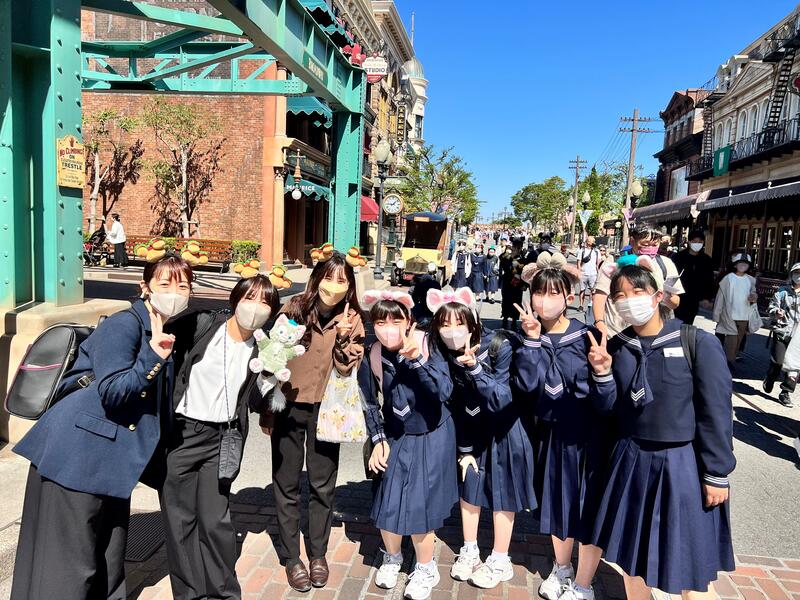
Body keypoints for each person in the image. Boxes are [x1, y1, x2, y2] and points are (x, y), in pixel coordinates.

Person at [11, 254, 192, 600]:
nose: (174, 292)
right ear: (145, 287)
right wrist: (153, 357)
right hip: (78, 456)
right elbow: (113, 391)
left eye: (183, 286)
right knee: (70, 565)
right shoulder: (124, 325)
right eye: (165, 283)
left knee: (108, 556)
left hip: (109, 462)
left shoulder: (158, 329)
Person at [588, 262, 735, 599]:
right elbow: (609, 411)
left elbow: (716, 412)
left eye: (637, 292)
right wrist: (602, 374)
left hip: (681, 465)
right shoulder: (617, 347)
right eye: (620, 296)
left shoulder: (695, 342)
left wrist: (716, 472)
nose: (629, 300)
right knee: (630, 559)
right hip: (631, 459)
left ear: (657, 296)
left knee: (687, 565)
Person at [160, 274, 281, 600]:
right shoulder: (203, 326)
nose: (255, 307)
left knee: (216, 520)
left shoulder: (264, 347)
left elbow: (256, 402)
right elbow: (160, 334)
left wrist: (271, 377)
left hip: (222, 438)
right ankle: (190, 594)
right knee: (180, 522)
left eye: (265, 302)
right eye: (250, 297)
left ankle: (224, 593)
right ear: (235, 299)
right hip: (183, 434)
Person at [258, 251, 365, 592]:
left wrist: (344, 337)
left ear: (349, 286)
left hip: (327, 409)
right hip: (288, 405)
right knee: (286, 483)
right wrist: (268, 411)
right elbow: (272, 360)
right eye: (328, 277)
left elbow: (348, 367)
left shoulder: (353, 319)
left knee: (322, 484)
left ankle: (318, 554)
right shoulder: (293, 309)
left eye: (341, 280)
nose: (333, 286)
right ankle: (292, 556)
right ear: (316, 278)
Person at [513, 253, 614, 600]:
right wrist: (530, 341)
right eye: (538, 293)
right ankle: (562, 567)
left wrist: (602, 372)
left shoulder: (588, 337)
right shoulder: (528, 337)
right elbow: (527, 387)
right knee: (557, 504)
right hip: (552, 436)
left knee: (587, 507)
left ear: (569, 297)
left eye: (554, 293)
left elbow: (607, 401)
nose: (545, 300)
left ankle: (584, 582)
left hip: (588, 440)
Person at [431, 289, 536, 590]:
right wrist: (463, 447)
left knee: (503, 494)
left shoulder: (499, 345)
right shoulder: (442, 352)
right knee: (471, 486)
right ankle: (470, 550)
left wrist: (475, 368)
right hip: (473, 430)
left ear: (473, 322)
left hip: (505, 430)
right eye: (444, 325)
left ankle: (501, 558)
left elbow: (502, 397)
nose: (452, 331)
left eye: (459, 323)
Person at [359, 291, 457, 600]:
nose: (388, 328)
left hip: (431, 432)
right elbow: (369, 402)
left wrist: (417, 361)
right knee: (386, 498)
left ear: (409, 321)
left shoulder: (428, 344)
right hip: (396, 432)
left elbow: (443, 391)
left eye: (395, 321)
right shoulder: (374, 354)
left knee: (419, 504)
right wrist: (378, 440)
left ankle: (426, 567)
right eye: (380, 322)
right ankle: (393, 556)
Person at [593, 228, 684, 338]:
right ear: (632, 241)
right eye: (645, 244)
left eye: (654, 245)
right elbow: (600, 296)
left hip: (654, 335)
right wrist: (599, 322)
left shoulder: (666, 264)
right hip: (616, 333)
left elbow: (676, 302)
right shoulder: (615, 262)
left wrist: (667, 297)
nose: (650, 248)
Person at [764, 263, 800, 408]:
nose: (799, 276)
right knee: (778, 362)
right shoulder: (782, 291)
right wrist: (776, 312)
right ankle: (770, 378)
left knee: (794, 367)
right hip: (782, 332)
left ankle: (785, 392)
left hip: (798, 338)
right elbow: (771, 308)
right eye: (797, 273)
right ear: (791, 275)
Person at [713, 253, 757, 369]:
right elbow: (720, 297)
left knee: (739, 340)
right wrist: (717, 314)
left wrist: (753, 297)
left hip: (744, 316)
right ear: (735, 265)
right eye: (740, 263)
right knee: (731, 340)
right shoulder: (728, 278)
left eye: (746, 264)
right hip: (729, 315)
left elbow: (753, 294)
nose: (743, 265)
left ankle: (729, 359)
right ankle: (727, 362)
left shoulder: (751, 280)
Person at [673, 230, 716, 325]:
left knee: (688, 322)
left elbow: (709, 280)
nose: (697, 244)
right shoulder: (678, 257)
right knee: (676, 322)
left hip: (695, 298)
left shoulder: (706, 259)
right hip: (679, 295)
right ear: (689, 242)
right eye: (694, 241)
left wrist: (707, 298)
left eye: (700, 242)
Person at [500, 250, 527, 330]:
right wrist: (507, 252)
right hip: (507, 284)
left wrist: (525, 284)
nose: (516, 249)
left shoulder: (523, 259)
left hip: (518, 285)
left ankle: (514, 321)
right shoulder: (508, 257)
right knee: (506, 301)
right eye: (514, 247)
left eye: (518, 248)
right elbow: (501, 258)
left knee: (516, 303)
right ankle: (505, 319)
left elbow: (525, 272)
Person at [577, 237, 600, 313]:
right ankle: (581, 305)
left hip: (593, 274)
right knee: (582, 290)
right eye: (592, 241)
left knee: (592, 291)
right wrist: (579, 272)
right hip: (583, 274)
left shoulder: (597, 251)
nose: (594, 242)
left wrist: (598, 273)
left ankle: (590, 304)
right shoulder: (582, 251)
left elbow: (598, 263)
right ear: (588, 242)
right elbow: (579, 263)